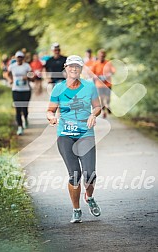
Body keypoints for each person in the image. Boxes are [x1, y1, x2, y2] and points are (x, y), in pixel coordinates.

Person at [47, 55, 101, 223]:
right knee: (75, 175)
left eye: (77, 66)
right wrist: (52, 117)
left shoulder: (89, 87)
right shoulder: (58, 88)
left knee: (90, 174)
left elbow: (98, 106)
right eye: (71, 66)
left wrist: (93, 114)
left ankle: (89, 198)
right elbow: (50, 110)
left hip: (85, 134)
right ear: (66, 67)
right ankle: (76, 209)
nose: (74, 69)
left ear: (81, 68)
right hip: (65, 136)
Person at [8, 51, 32, 135]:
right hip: (16, 90)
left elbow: (32, 74)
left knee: (24, 108)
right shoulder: (12, 66)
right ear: (15, 58)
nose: (19, 59)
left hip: (26, 90)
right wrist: (10, 80)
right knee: (18, 109)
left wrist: (27, 77)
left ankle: (25, 118)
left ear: (23, 58)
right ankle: (20, 127)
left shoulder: (26, 66)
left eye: (21, 57)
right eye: (18, 57)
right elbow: (7, 74)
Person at [92, 49, 115, 118]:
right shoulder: (95, 63)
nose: (102, 57)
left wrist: (108, 75)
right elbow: (91, 73)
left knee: (107, 98)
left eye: (103, 56)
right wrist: (97, 76)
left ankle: (107, 106)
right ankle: (104, 112)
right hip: (99, 84)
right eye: (100, 56)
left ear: (105, 56)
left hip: (108, 84)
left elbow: (113, 71)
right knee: (101, 98)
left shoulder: (108, 63)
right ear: (98, 56)